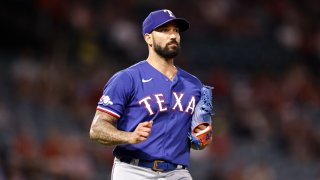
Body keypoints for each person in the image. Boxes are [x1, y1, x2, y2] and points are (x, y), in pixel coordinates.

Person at [89, 9, 211, 180]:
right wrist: (128, 136)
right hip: (133, 170)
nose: (173, 36)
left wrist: (201, 137)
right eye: (164, 30)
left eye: (176, 30)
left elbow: (198, 141)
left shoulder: (194, 85)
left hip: (177, 172)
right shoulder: (127, 78)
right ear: (148, 38)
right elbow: (97, 129)